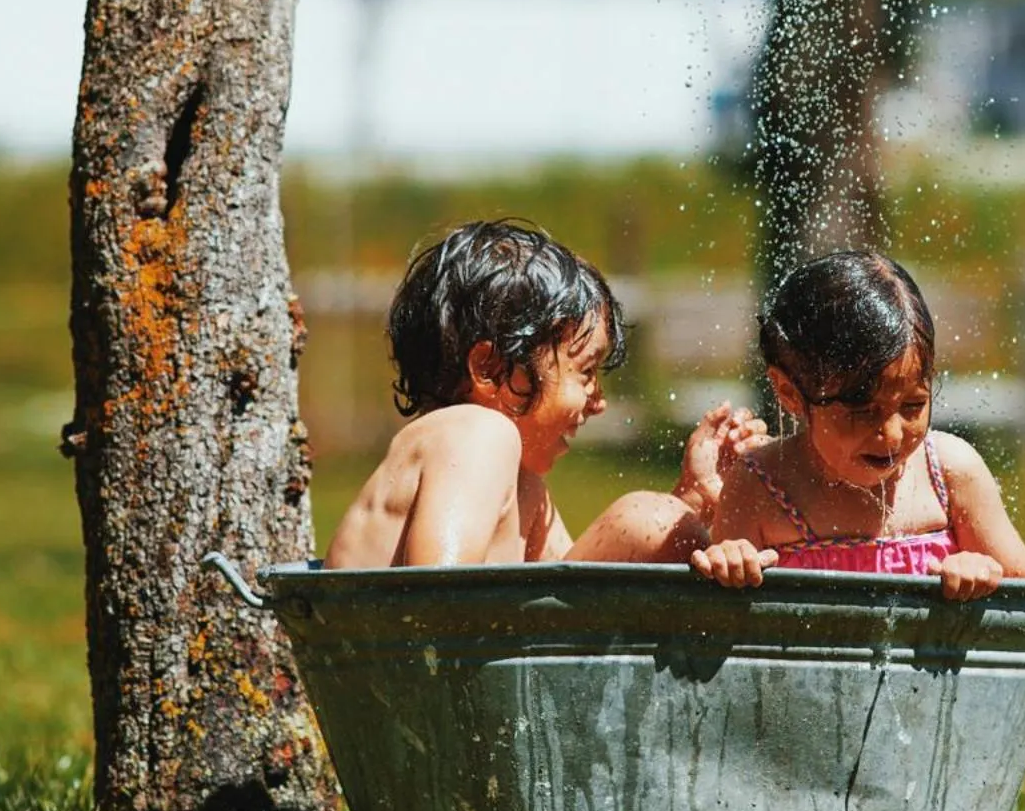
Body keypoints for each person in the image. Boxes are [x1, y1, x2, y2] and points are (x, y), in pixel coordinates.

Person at [325, 219, 763, 569]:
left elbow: (575, 597)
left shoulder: (524, 489)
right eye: (586, 371)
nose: (599, 401)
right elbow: (437, 602)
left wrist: (692, 501)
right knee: (646, 517)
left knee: (655, 522)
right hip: (398, 671)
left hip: (414, 671)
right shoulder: (476, 435)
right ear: (490, 368)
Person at [691, 250, 1025, 599]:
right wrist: (729, 562)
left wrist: (982, 570)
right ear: (789, 392)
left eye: (913, 405)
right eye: (862, 411)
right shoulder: (760, 483)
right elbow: (717, 623)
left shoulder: (949, 473)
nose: (892, 434)